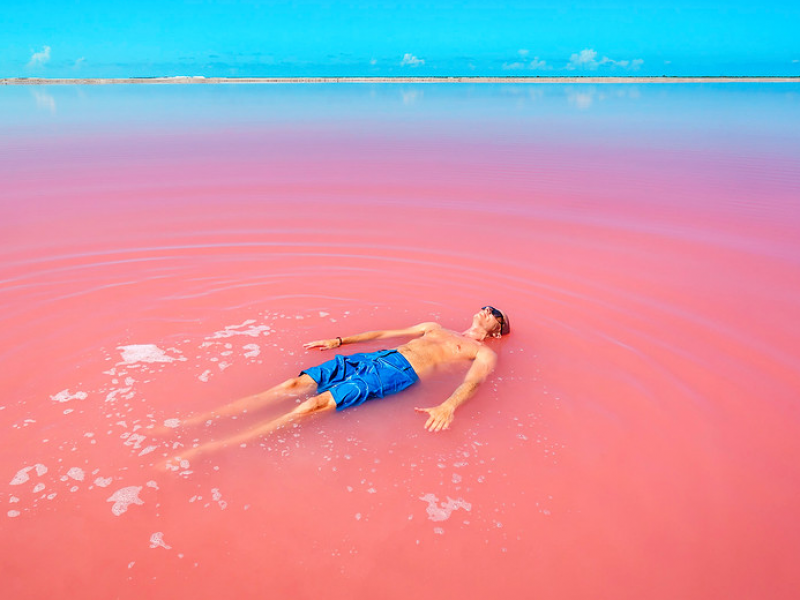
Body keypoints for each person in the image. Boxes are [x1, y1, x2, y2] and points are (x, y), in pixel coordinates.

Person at [167, 306, 510, 464]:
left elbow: (474, 383)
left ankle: (216, 447)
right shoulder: (435, 325)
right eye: (484, 306)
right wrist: (340, 340)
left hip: (396, 373)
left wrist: (449, 405)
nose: (484, 309)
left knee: (313, 406)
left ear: (496, 330)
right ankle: (193, 423)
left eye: (493, 312)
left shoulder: (482, 352)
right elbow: (384, 333)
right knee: (289, 386)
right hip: (374, 356)